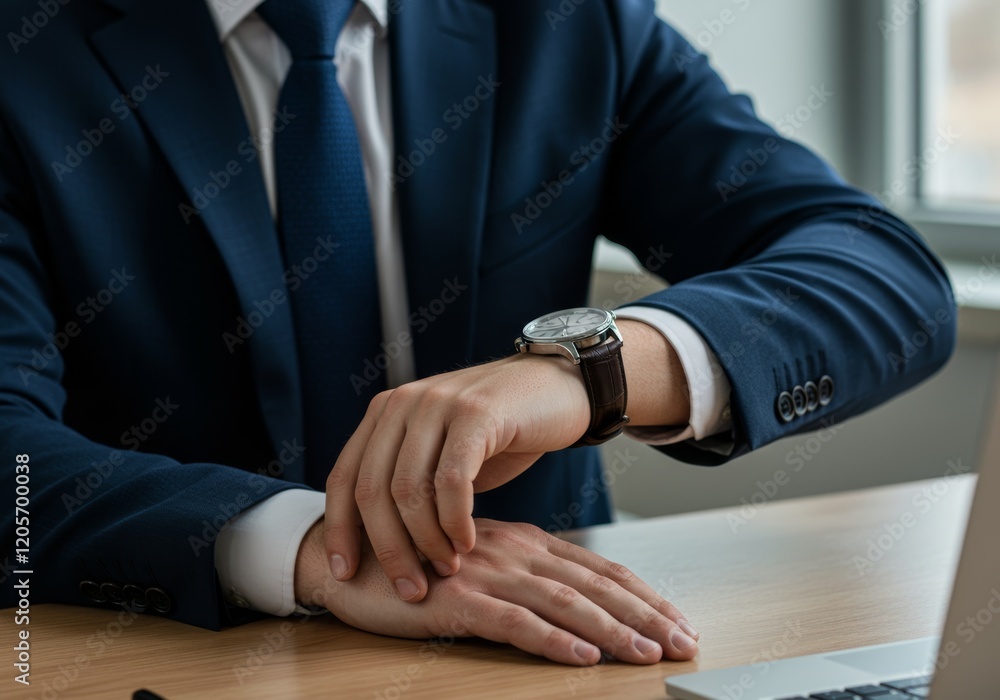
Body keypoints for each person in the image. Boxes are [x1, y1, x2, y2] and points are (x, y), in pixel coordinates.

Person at [0, 0, 954, 667]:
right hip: (162, 651)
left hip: (541, 658)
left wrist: (590, 374)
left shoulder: (566, 20)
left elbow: (884, 275)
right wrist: (318, 549)